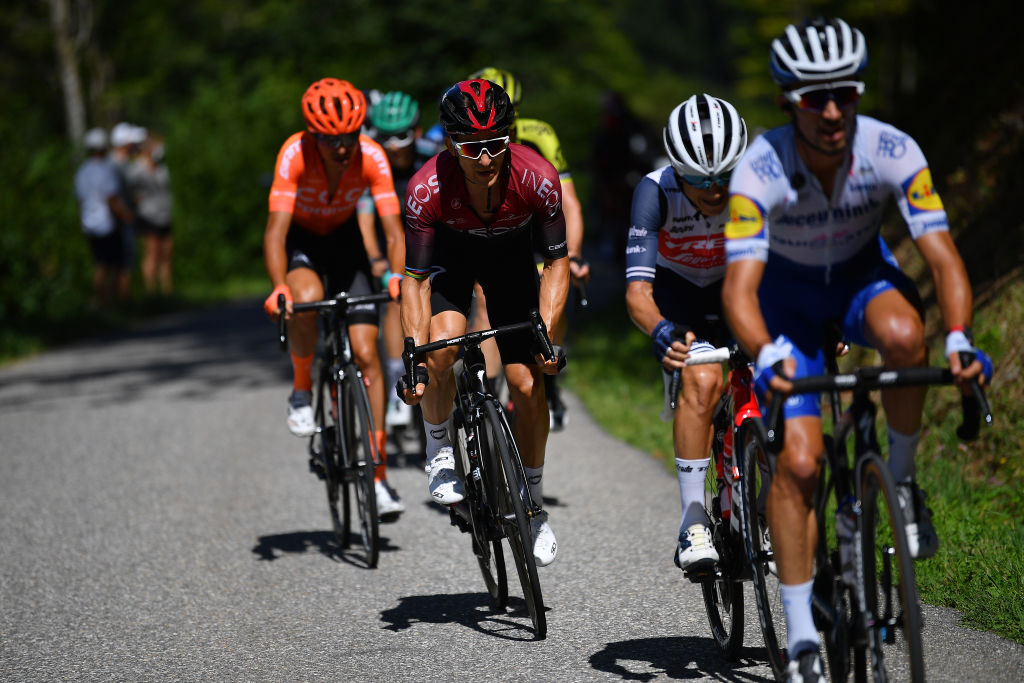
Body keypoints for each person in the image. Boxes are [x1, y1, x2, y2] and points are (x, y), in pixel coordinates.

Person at [720, 17, 991, 681]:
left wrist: (958, 337)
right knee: (803, 466)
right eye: (816, 98)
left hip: (860, 281)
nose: (833, 110)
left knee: (905, 336)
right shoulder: (760, 169)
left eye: (845, 92)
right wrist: (765, 353)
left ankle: (898, 481)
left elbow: (943, 257)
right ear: (791, 101)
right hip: (784, 301)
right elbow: (739, 290)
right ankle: (804, 633)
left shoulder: (893, 148)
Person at [397, 79, 569, 566]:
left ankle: (532, 504)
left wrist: (547, 338)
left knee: (526, 381)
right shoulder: (426, 188)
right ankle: (439, 451)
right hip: (452, 260)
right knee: (444, 344)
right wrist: (415, 355)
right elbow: (415, 280)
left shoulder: (538, 178)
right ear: (450, 143)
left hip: (511, 262)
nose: (487, 158)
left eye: (497, 143)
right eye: (473, 147)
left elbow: (557, 263)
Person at [263, 77, 407, 520]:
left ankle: (378, 476)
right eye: (331, 139)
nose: (342, 147)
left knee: (367, 354)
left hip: (346, 244)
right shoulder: (293, 154)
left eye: (350, 136)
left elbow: (393, 230)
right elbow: (275, 232)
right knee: (306, 298)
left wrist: (400, 276)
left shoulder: (373, 156)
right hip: (305, 242)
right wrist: (278, 287)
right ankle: (303, 390)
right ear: (312, 135)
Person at [625, 94, 748, 573]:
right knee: (702, 382)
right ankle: (694, 519)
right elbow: (638, 292)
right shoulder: (653, 192)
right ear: (678, 170)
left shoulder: (758, 183)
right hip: (679, 293)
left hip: (736, 285)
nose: (715, 191)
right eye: (700, 180)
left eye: (724, 177)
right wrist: (659, 329)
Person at [466, 67, 590, 431]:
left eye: (512, 109)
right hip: (490, 232)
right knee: (486, 305)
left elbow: (571, 204)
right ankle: (485, 397)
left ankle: (547, 379)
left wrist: (576, 254)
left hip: (538, 229)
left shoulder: (539, 135)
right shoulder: (471, 146)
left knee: (557, 294)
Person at [358, 91, 431, 444]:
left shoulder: (432, 158)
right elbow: (366, 220)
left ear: (416, 132)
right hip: (393, 243)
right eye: (384, 137)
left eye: (401, 136)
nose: (393, 146)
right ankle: (398, 382)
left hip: (430, 239)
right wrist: (378, 264)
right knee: (395, 295)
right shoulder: (372, 162)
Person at [73, 127, 135, 306]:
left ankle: (101, 301)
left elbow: (79, 199)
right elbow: (112, 199)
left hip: (89, 224)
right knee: (116, 264)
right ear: (102, 148)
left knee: (99, 265)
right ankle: (112, 300)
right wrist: (125, 215)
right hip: (108, 223)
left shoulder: (81, 172)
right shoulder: (105, 170)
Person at [126, 132, 174, 295]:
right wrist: (135, 201)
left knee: (166, 253)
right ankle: (151, 291)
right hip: (148, 215)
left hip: (165, 214)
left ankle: (167, 292)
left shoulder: (161, 167)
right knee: (152, 253)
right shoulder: (137, 168)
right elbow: (128, 189)